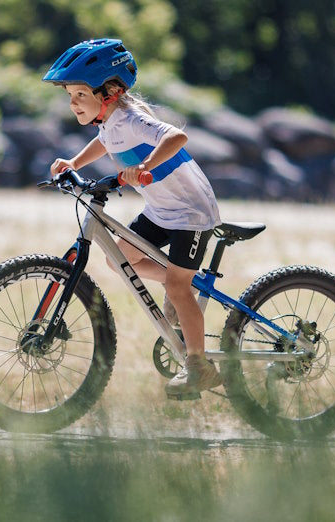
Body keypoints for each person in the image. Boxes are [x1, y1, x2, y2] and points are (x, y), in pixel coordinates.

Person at [43, 38, 222, 397]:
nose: (72, 102)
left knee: (175, 285)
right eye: (70, 95)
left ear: (108, 92)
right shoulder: (108, 121)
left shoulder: (131, 118)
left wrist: (143, 166)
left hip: (191, 212)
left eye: (79, 94)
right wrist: (74, 163)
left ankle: (199, 366)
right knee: (119, 260)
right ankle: (185, 283)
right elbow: (106, 141)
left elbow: (177, 136)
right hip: (162, 210)